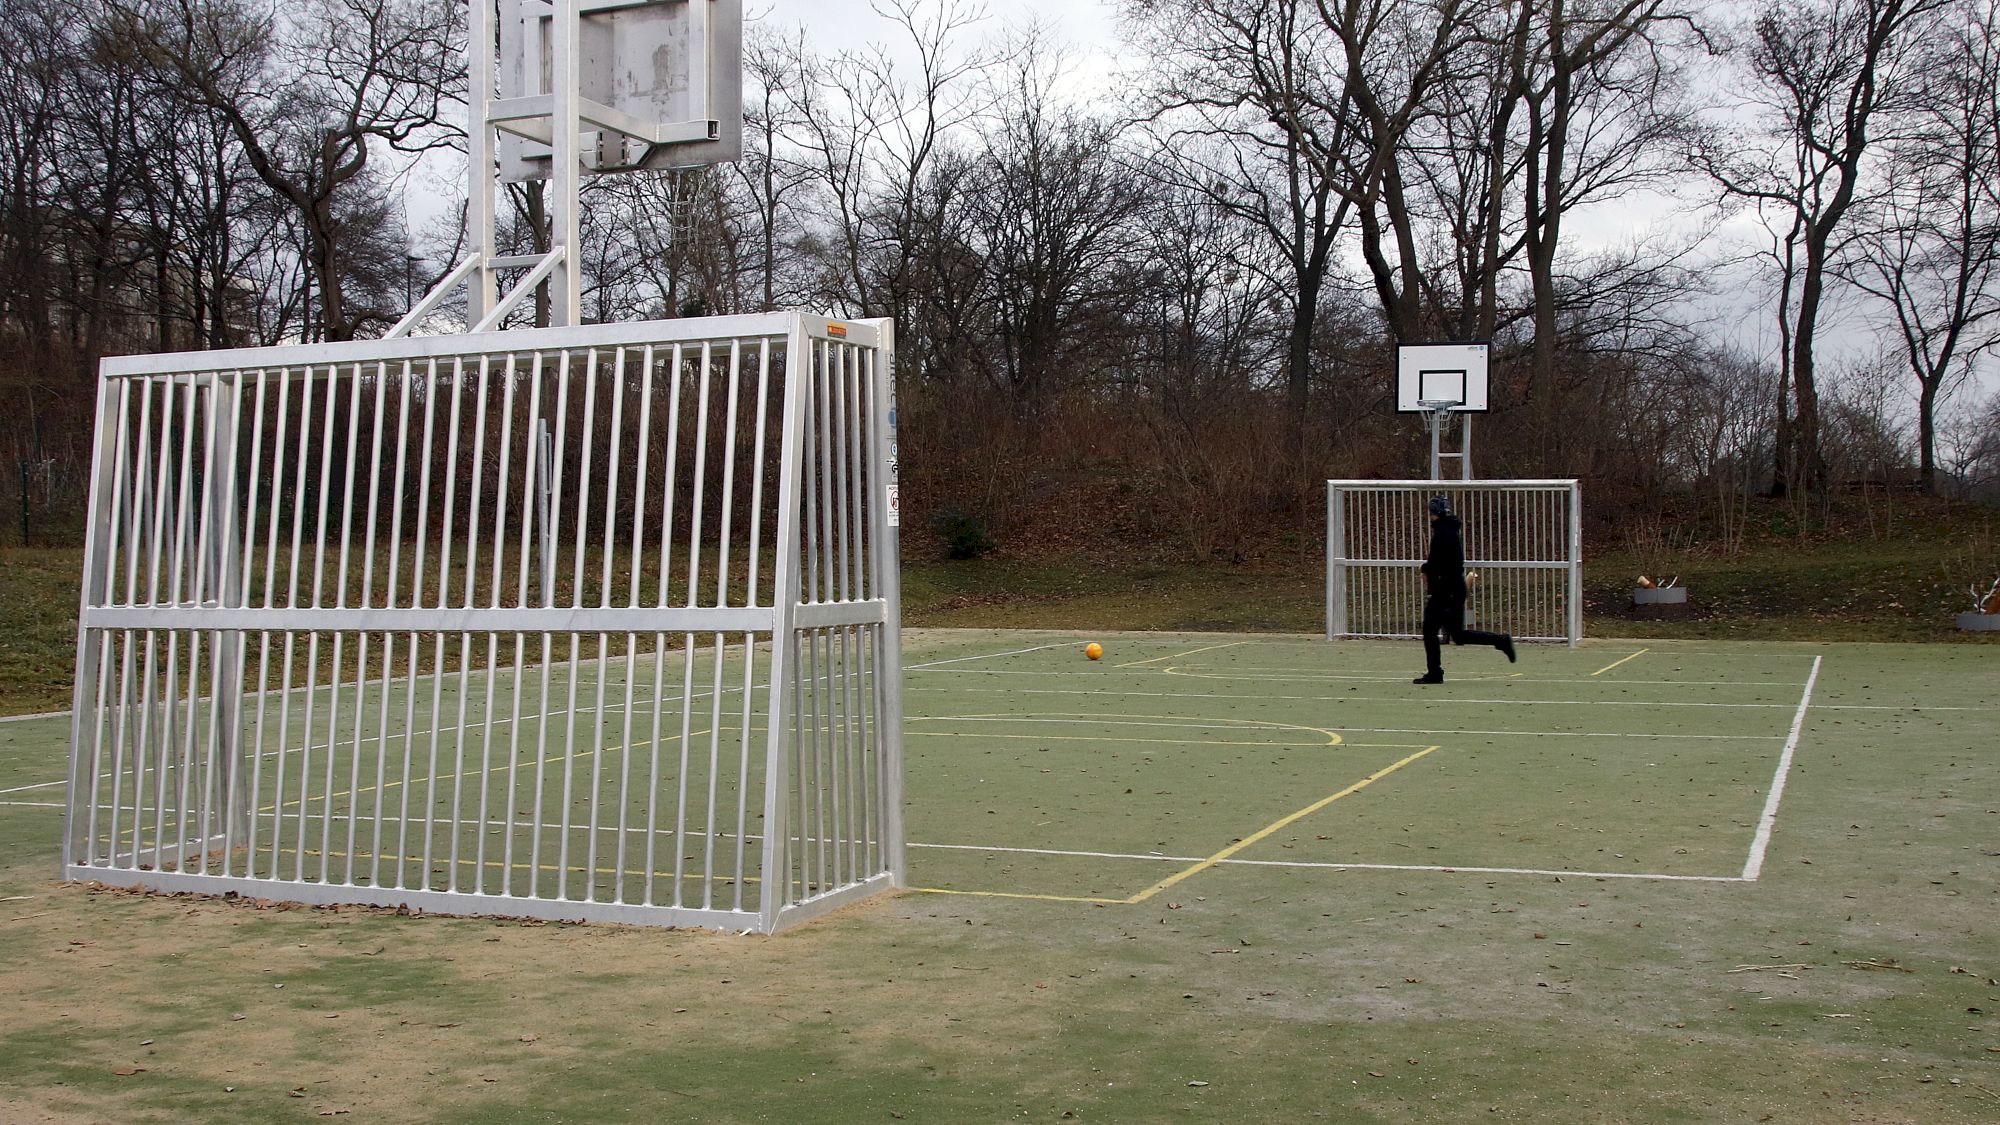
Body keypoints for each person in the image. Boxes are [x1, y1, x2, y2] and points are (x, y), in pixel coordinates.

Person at [1414, 495, 1515, 684]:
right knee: (1455, 635)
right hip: (1451, 589)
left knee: (1432, 630)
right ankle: (1500, 641)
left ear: (1432, 513)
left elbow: (1440, 564)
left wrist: (1424, 568)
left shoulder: (1443, 533)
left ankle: (1435, 672)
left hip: (1446, 590)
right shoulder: (1449, 530)